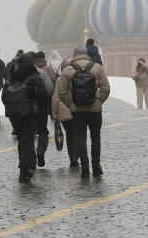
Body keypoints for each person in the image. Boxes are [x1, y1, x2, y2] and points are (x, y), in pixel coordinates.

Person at [59, 44, 111, 179]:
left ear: (74, 55)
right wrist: (98, 101)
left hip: (77, 110)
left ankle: (85, 169)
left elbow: (62, 91)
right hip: (95, 110)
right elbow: (105, 88)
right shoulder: (97, 68)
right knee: (95, 137)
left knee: (80, 138)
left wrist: (71, 103)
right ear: (87, 54)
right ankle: (97, 167)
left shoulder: (68, 70)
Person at [3, 53, 43, 183]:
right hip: (30, 113)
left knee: (21, 139)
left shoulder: (11, 77)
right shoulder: (34, 77)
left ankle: (24, 166)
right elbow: (41, 95)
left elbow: (4, 96)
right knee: (27, 139)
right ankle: (25, 168)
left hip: (14, 114)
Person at [51, 57, 79, 167]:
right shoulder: (80, 77)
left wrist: (54, 114)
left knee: (70, 134)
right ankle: (78, 155)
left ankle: (72, 157)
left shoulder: (60, 79)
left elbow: (56, 98)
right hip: (78, 110)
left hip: (64, 111)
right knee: (78, 134)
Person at [29, 51, 55, 167]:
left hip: (25, 108)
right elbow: (49, 89)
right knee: (42, 131)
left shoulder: (18, 73)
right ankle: (40, 151)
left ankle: (30, 160)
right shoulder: (42, 72)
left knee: (27, 134)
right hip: (40, 106)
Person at [4, 50, 25, 136]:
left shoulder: (10, 64)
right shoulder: (24, 64)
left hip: (12, 91)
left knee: (14, 111)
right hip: (22, 91)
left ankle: (15, 129)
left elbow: (5, 75)